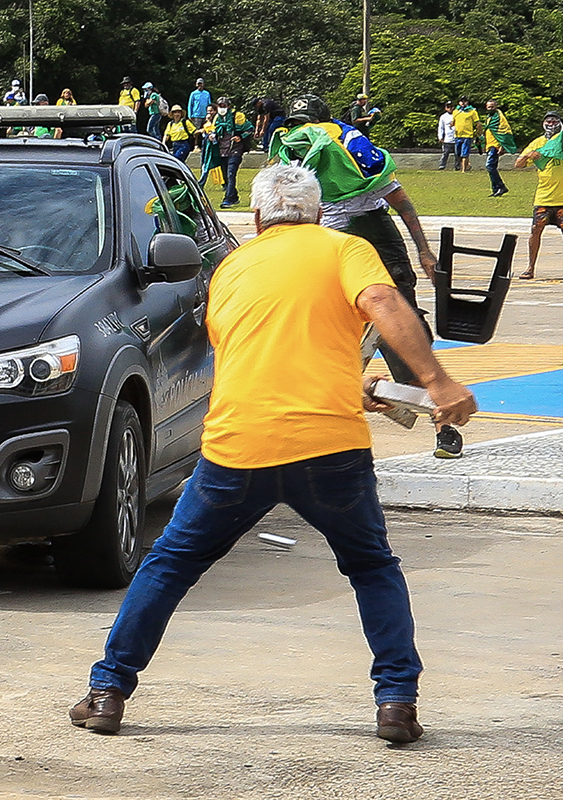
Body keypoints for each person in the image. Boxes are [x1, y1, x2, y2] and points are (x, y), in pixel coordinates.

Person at [68, 163, 477, 746]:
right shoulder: (344, 249)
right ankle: (396, 703)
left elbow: (260, 353)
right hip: (329, 450)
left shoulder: (231, 268)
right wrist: (435, 382)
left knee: (170, 566)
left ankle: (109, 692)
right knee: (370, 567)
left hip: (239, 450)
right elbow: (382, 300)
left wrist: (353, 383)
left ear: (258, 218)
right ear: (315, 212)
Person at [271, 93, 462, 458]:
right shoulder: (295, 165)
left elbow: (401, 202)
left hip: (375, 237)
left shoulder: (355, 154)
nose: (302, 133)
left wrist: (423, 250)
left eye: (307, 125)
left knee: (404, 333)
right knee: (326, 336)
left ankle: (445, 427)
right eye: (296, 127)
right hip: (329, 241)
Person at [513, 109, 563, 280]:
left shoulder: (561, 141)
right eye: (548, 121)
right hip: (544, 197)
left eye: (554, 121)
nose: (551, 125)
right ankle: (530, 267)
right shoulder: (538, 142)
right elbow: (518, 164)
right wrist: (529, 155)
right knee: (536, 230)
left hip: (562, 199)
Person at [212, 96, 250, 207]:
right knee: (225, 176)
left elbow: (249, 129)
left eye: (224, 105)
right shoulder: (217, 118)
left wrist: (240, 137)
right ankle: (234, 196)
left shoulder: (237, 117)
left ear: (229, 106)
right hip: (222, 150)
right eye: (220, 106)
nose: (222, 108)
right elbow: (212, 130)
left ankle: (228, 199)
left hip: (235, 149)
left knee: (231, 174)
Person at [481, 99, 514, 197]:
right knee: (491, 167)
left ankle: (501, 186)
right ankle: (496, 189)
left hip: (495, 146)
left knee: (489, 166)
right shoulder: (489, 118)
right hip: (489, 145)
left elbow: (504, 132)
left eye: (492, 106)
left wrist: (502, 146)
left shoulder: (499, 118)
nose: (490, 108)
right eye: (488, 107)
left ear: (496, 107)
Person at [452, 96, 480, 172]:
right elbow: (453, 122)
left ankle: (463, 170)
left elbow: (477, 122)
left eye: (465, 101)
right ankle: (467, 165)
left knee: (464, 152)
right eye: (461, 101)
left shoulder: (472, 111)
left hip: (467, 135)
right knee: (458, 153)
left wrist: (478, 132)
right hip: (458, 135)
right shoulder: (455, 111)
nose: (463, 103)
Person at [437, 102, 456, 170]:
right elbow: (441, 127)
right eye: (448, 107)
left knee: (457, 153)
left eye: (451, 107)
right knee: (445, 153)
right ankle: (442, 165)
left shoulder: (457, 115)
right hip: (447, 138)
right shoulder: (443, 117)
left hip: (456, 137)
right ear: (445, 108)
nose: (450, 108)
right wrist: (440, 137)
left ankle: (457, 166)